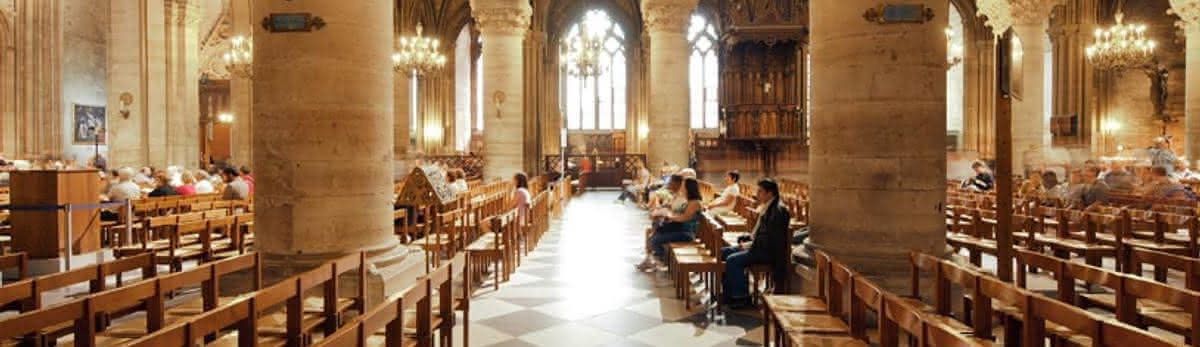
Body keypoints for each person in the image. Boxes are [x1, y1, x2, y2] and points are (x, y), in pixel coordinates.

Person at [721, 178, 791, 308]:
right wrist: (747, 238)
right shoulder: (768, 206)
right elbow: (760, 233)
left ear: (770, 193)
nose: (757, 194)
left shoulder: (778, 211)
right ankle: (728, 293)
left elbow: (772, 239)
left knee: (732, 260)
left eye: (760, 191)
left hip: (767, 252)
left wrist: (748, 245)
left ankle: (740, 297)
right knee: (723, 252)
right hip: (758, 247)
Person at [638, 178, 703, 272]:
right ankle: (654, 260)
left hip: (687, 233)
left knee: (655, 240)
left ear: (689, 188)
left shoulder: (695, 203)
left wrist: (671, 218)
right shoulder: (689, 201)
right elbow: (681, 215)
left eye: (684, 186)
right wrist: (668, 216)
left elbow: (685, 217)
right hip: (680, 229)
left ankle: (661, 261)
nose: (682, 188)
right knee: (654, 235)